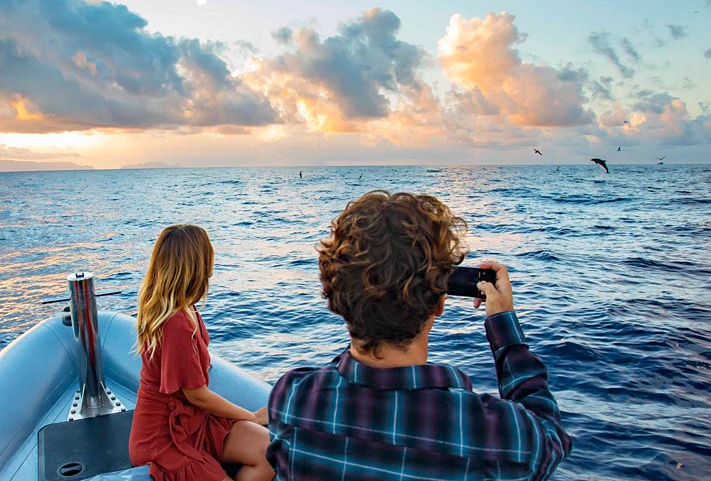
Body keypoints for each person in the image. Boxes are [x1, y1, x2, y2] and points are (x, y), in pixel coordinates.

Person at [266, 191, 572, 480]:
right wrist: (503, 325)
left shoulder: (291, 397)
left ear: (336, 298)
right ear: (440, 302)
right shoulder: (490, 430)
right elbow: (550, 439)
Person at [129, 224, 274, 481]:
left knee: (273, 452)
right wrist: (250, 416)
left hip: (196, 421)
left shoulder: (188, 308)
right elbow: (196, 395)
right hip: (167, 438)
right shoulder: (175, 322)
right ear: (198, 264)